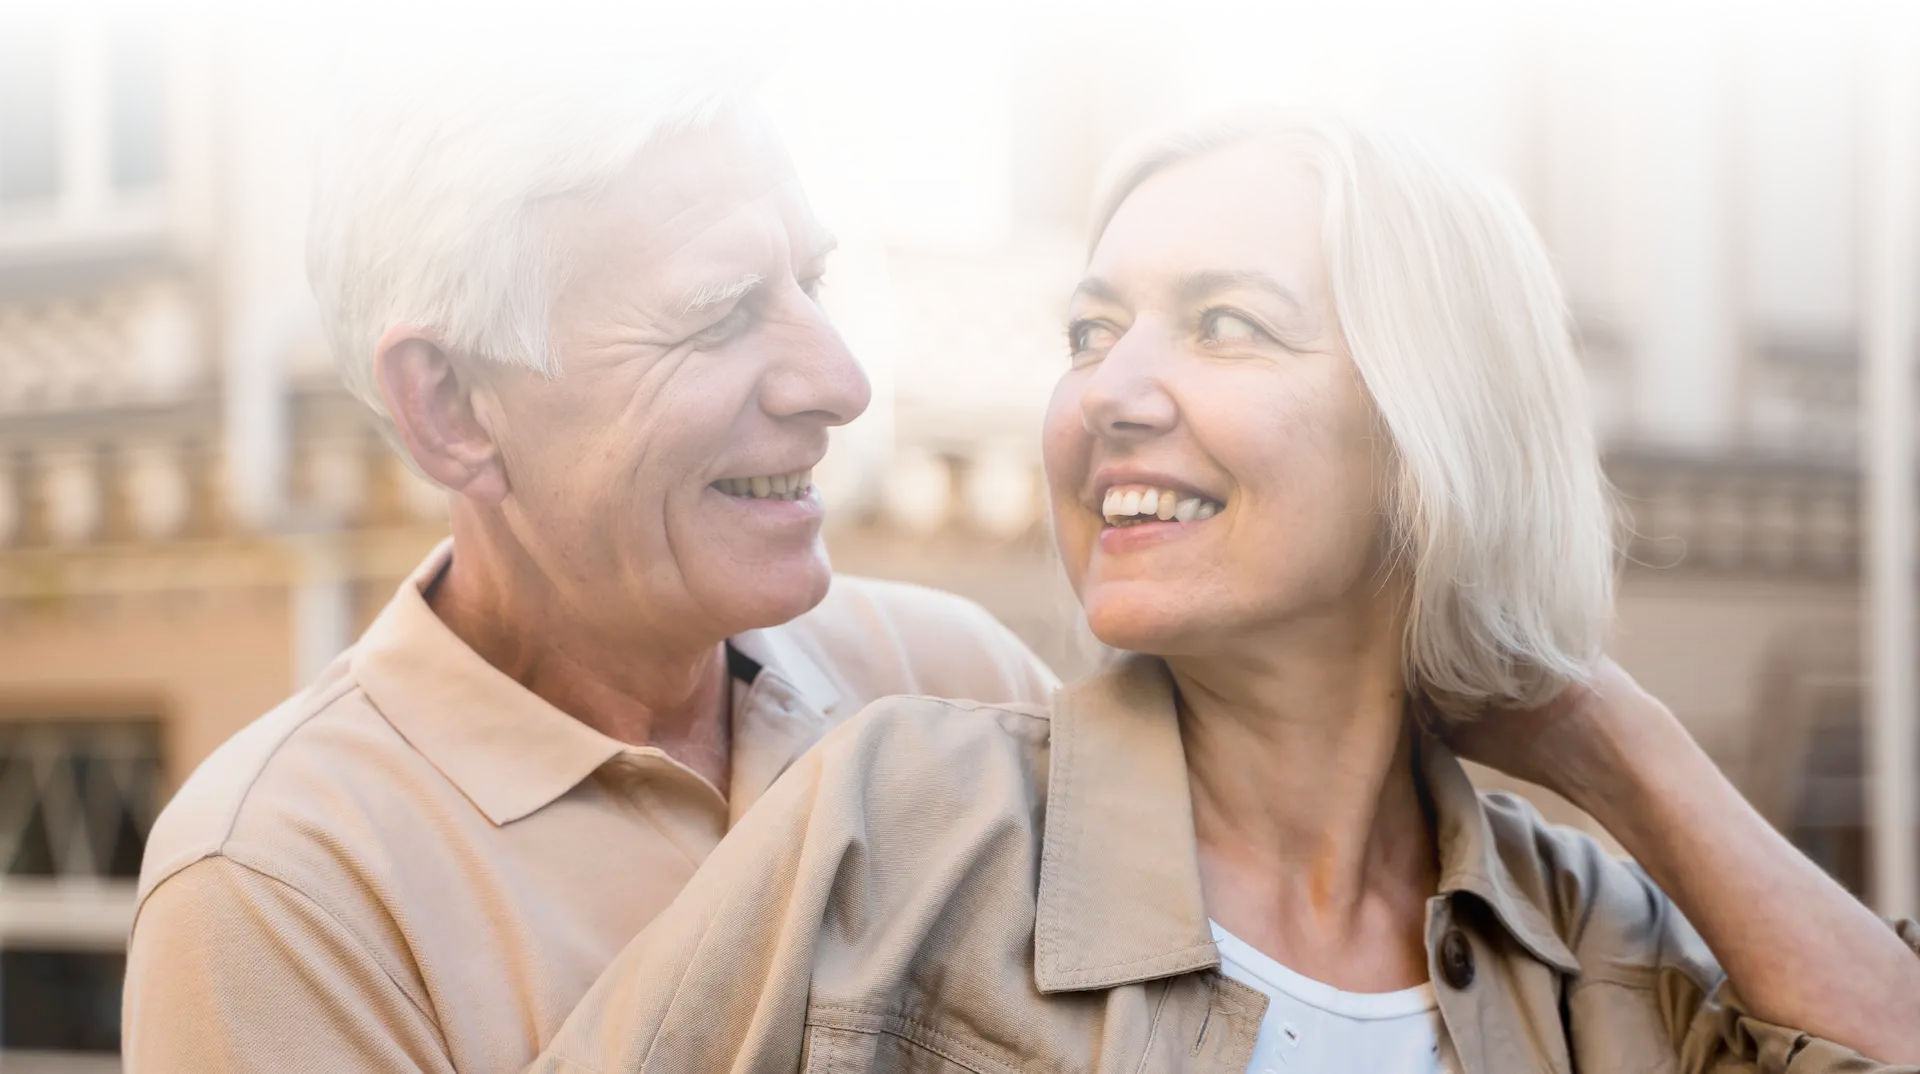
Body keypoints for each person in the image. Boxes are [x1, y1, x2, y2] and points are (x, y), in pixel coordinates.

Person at [527, 103, 1920, 1074]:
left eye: (1224, 325)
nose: (1112, 392)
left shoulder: (1585, 938)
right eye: (1091, 329)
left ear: (1427, 425)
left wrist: (1618, 742)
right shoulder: (899, 824)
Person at [119, 18, 1057, 1073]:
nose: (839, 385)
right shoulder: (281, 888)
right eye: (718, 317)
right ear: (451, 405)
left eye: (812, 286)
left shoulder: (959, 689)